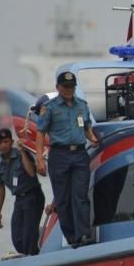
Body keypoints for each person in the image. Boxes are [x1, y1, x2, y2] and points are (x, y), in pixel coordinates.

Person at [36, 71, 99, 248]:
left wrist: (92, 138)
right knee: (63, 199)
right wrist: (40, 159)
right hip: (59, 155)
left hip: (79, 155)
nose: (68, 90)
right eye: (65, 87)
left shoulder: (82, 105)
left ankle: (84, 235)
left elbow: (87, 126)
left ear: (75, 88)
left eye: (71, 87)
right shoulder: (50, 108)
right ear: (58, 87)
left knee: (80, 196)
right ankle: (72, 238)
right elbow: (40, 132)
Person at [0, 128, 45, 256]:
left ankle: (35, 259)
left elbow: (32, 173)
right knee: (18, 240)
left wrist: (22, 152)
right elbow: (0, 187)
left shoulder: (22, 154)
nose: (3, 145)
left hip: (33, 197)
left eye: (5, 141)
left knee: (28, 240)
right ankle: (36, 248)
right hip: (19, 200)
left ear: (11, 142)